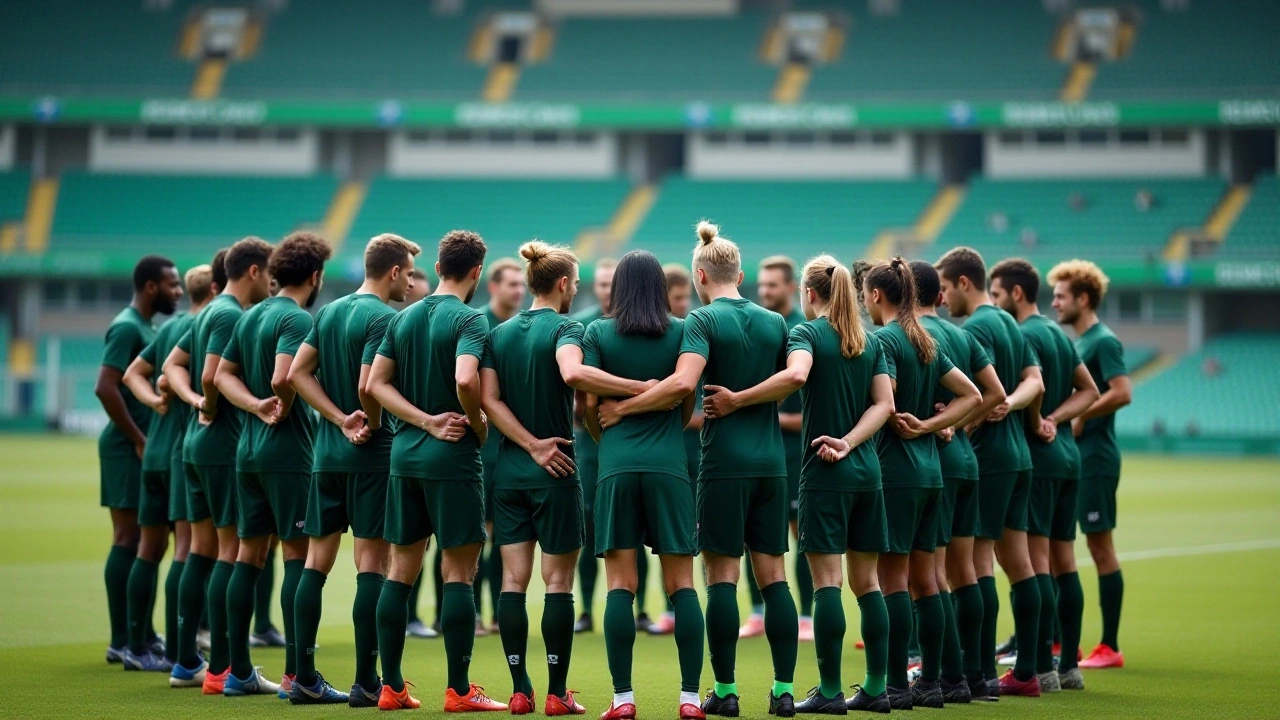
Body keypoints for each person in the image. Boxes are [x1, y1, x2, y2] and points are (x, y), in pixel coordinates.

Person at [600, 223, 799, 718]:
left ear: (700, 274)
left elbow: (682, 383)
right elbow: (793, 378)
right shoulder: (776, 323)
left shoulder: (701, 323)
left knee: (722, 578)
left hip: (723, 463)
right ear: (741, 272)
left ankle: (725, 691)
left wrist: (622, 411)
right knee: (775, 577)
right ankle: (783, 691)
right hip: (772, 462)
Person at [704, 255, 897, 713]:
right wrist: (850, 442)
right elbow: (884, 404)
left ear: (809, 295)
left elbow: (794, 375)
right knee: (868, 583)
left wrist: (737, 400)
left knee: (828, 582)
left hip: (824, 472)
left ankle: (830, 691)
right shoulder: (869, 343)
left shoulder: (807, 333)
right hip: (867, 470)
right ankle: (875, 687)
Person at [480, 240, 655, 715]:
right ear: (561, 285)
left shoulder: (499, 333)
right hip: (556, 468)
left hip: (513, 472)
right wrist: (640, 388)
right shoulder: (566, 327)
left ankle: (520, 689)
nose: (576, 289)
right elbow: (574, 373)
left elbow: (489, 400)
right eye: (575, 283)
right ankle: (557, 695)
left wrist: (526, 445)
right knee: (558, 584)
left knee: (512, 582)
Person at [366, 230, 508, 712]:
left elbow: (374, 384)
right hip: (452, 460)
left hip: (404, 457)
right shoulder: (471, 318)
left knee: (399, 572)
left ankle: (391, 687)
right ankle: (460, 691)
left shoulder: (403, 317)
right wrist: (476, 423)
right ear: (476, 272)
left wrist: (420, 420)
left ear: (442, 265)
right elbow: (466, 378)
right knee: (459, 575)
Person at [285, 233, 422, 706]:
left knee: (314, 564)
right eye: (408, 274)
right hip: (372, 457)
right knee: (372, 566)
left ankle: (302, 675)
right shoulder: (387, 316)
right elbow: (370, 385)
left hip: (326, 457)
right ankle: (367, 682)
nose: (410, 283)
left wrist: (338, 420)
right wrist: (367, 421)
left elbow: (295, 375)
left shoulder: (329, 311)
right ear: (395, 272)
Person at [580, 250, 704, 720]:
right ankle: (690, 699)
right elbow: (686, 402)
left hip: (615, 465)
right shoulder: (683, 331)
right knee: (681, 586)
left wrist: (610, 431)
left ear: (619, 288)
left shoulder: (596, 333)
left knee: (620, 586)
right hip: (670, 467)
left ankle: (622, 699)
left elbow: (590, 407)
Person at [214, 231, 331, 696]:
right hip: (287, 454)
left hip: (248, 451)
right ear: (316, 276)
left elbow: (220, 375)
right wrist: (277, 401)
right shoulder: (297, 319)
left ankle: (238, 672)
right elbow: (285, 375)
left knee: (248, 556)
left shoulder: (250, 317)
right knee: (297, 557)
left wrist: (254, 406)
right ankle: (295, 675)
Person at [861, 259, 981, 710]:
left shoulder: (886, 339)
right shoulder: (926, 340)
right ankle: (931, 683)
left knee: (892, 579)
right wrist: (934, 425)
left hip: (897, 473)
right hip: (932, 473)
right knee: (928, 580)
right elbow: (972, 394)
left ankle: (893, 684)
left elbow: (884, 401)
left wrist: (904, 423)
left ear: (876, 295)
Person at [164, 237, 274, 692]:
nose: (272, 281)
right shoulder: (230, 314)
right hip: (223, 444)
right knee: (231, 552)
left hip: (195, 445)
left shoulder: (207, 310)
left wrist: (193, 403)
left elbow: (173, 366)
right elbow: (211, 374)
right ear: (253, 271)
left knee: (202, 550)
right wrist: (211, 402)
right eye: (269, 273)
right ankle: (229, 670)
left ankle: (188, 661)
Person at [934, 246, 1045, 698]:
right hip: (1020, 454)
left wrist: (953, 422)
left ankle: (976, 670)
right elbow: (1033, 382)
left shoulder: (977, 325)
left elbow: (980, 396)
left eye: (944, 288)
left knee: (977, 563)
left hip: (990, 457)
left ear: (963, 283)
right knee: (1020, 565)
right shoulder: (1009, 323)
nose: (943, 299)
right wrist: (1021, 410)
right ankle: (1028, 671)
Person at [990, 258, 1100, 692]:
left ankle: (1037, 668)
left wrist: (1039, 420)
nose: (995, 303)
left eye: (997, 295)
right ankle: (1068, 664)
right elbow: (1090, 391)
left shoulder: (1023, 334)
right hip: (1069, 458)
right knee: (1064, 562)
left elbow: (1030, 386)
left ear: (1016, 294)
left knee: (1032, 565)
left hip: (1036, 458)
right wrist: (1059, 417)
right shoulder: (1059, 333)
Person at [909, 260, 1006, 704]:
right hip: (968, 461)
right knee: (967, 570)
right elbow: (995, 394)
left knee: (930, 575)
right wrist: (963, 423)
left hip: (936, 463)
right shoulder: (963, 335)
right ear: (940, 295)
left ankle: (948, 677)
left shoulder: (914, 336)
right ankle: (982, 674)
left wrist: (938, 424)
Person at [121, 264, 214, 671]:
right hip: (180, 452)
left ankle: (135, 644)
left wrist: (154, 401)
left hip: (154, 450)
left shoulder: (170, 329)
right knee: (186, 549)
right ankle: (181, 651)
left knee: (147, 547)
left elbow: (132, 375)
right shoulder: (207, 328)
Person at [96, 255, 181, 666]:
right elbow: (105, 387)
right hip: (127, 446)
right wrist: (138, 438)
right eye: (172, 285)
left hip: (144, 444)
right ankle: (124, 640)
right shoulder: (128, 326)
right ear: (151, 287)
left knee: (151, 542)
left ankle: (143, 634)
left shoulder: (148, 327)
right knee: (129, 539)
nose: (178, 291)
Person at [1048, 259, 1132, 671]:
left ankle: (1110, 646)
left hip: (1097, 458)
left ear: (1083, 298)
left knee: (1100, 548)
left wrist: (1081, 416)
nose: (1055, 303)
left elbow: (1121, 392)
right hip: (1074, 459)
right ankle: (1064, 642)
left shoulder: (1103, 341)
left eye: (1061, 296)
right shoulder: (1078, 342)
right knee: (1059, 548)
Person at [740, 255, 814, 643]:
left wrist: (755, 409)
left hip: (796, 452)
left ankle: (806, 616)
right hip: (759, 449)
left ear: (791, 287)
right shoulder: (756, 327)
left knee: (800, 535)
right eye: (762, 285)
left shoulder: (804, 332)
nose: (765, 291)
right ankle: (756, 613)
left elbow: (816, 410)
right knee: (754, 535)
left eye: (773, 285)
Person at [644, 263, 699, 637]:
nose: (684, 304)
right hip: (671, 450)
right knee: (664, 535)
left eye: (686, 297)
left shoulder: (692, 337)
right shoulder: (678, 337)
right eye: (678, 297)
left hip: (692, 451)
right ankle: (667, 608)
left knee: (681, 535)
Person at [475, 257, 526, 636]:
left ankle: (495, 614)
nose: (518, 290)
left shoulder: (519, 329)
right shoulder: (477, 324)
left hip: (506, 451)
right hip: (480, 451)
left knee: (500, 536)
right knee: (476, 537)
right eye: (511, 284)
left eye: (521, 284)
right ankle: (471, 613)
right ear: (493, 287)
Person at [569, 257, 620, 634]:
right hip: (589, 442)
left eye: (612, 283)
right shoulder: (581, 325)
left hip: (627, 439)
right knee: (588, 527)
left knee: (635, 529)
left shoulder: (641, 325)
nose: (606, 290)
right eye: (601, 284)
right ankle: (586, 608)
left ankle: (640, 611)